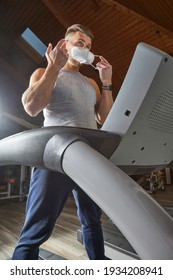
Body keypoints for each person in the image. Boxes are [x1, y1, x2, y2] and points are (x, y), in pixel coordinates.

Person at [12, 24, 113, 260]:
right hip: (57, 156)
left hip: (88, 157)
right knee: (37, 228)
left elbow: (104, 118)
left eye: (88, 46)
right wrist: (53, 67)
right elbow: (31, 107)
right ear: (65, 45)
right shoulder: (43, 72)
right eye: (80, 43)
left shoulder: (91, 84)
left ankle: (98, 264)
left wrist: (106, 82)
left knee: (92, 221)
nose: (85, 49)